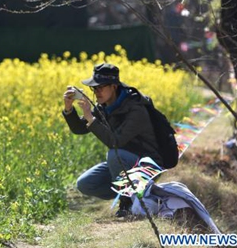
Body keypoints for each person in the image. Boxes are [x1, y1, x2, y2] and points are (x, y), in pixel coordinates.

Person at [62, 62, 162, 216]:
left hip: (147, 165)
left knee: (114, 154)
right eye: (94, 88)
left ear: (114, 86)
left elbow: (115, 142)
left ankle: (127, 202)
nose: (97, 92)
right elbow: (79, 129)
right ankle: (133, 194)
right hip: (123, 163)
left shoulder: (136, 108)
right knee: (85, 184)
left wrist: (90, 117)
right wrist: (69, 109)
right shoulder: (104, 105)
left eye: (100, 87)